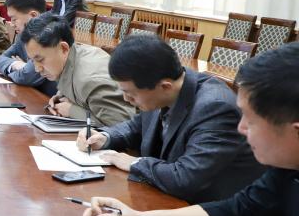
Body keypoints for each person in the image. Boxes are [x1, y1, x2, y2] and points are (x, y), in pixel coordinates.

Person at [81, 43, 299, 216]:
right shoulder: (286, 169)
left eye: (251, 121)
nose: (241, 128)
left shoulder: (215, 105)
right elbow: (237, 212)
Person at [76, 35, 264, 203]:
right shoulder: (161, 87)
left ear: (165, 86)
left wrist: (135, 163)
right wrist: (105, 137)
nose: (126, 99)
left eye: (131, 94)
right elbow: (136, 127)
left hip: (208, 211)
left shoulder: (215, 108)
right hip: (167, 197)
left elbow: (186, 178)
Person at [21, 13, 135, 127]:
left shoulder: (91, 80)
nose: (37, 69)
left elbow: (123, 126)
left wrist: (71, 110)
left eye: (40, 59)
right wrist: (61, 96)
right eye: (32, 61)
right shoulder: (73, 53)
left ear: (63, 48)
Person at [0, 0, 58, 96]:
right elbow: (0, 59)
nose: (12, 24)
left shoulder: (49, 36)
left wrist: (25, 70)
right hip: (33, 94)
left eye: (14, 19)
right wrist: (17, 65)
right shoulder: (23, 34)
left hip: (50, 99)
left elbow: (25, 77)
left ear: (33, 16)